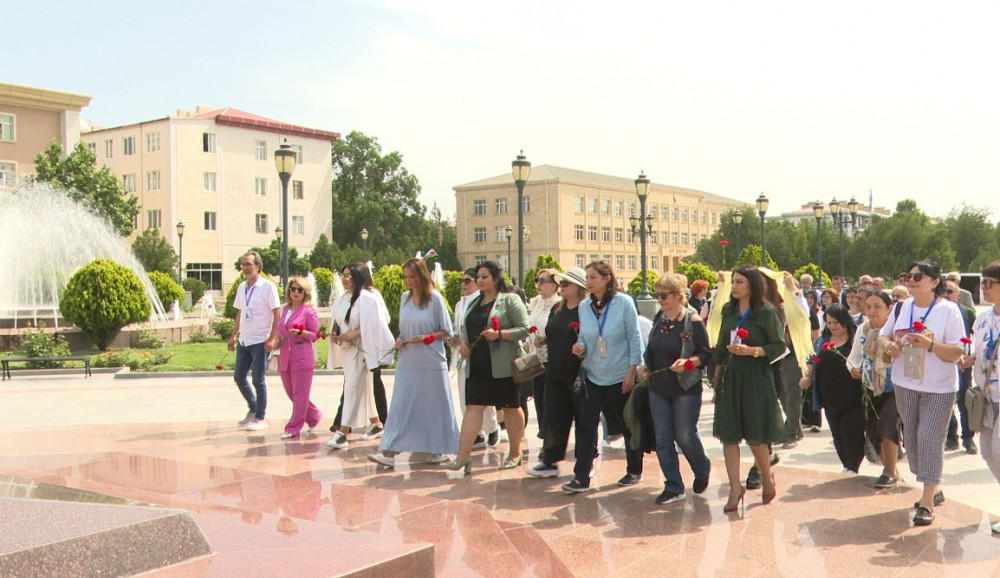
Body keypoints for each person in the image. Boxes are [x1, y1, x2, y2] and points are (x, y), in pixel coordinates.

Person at [881, 260, 965, 526]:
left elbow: (957, 351)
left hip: (938, 386)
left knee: (929, 438)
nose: (913, 280)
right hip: (906, 383)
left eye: (919, 276)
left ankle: (926, 501)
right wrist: (889, 346)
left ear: (935, 281)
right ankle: (935, 487)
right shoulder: (901, 307)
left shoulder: (948, 311)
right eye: (910, 275)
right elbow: (883, 336)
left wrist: (930, 345)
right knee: (914, 441)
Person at [369, 258, 459, 468]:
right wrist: (400, 339)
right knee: (401, 404)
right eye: (405, 277)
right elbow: (405, 326)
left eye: (412, 277)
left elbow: (447, 331)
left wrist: (426, 337)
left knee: (435, 405)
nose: (408, 281)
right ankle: (389, 451)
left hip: (431, 361)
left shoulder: (435, 299)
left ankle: (438, 449)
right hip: (408, 360)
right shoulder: (404, 299)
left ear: (422, 276)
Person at [563, 261, 644, 493]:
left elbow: (634, 338)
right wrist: (579, 346)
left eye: (593, 277)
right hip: (593, 375)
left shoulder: (624, 303)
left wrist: (632, 371)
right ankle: (581, 476)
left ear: (607, 278)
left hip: (620, 374)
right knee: (586, 424)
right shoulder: (585, 306)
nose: (588, 282)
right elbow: (586, 338)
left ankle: (634, 470)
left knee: (626, 424)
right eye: (587, 277)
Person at [712, 265, 786, 512]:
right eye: (733, 282)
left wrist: (753, 351)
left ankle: (766, 476)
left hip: (756, 377)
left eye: (740, 282)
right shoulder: (728, 310)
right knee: (729, 435)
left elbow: (778, 346)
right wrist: (717, 373)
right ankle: (735, 487)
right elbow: (722, 345)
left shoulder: (766, 313)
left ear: (752, 286)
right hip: (731, 378)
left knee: (756, 435)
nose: (734, 286)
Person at [638, 273, 713, 504]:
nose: (659, 299)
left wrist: (688, 363)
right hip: (659, 387)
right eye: (658, 294)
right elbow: (652, 348)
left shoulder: (692, 320)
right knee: (663, 438)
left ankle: (702, 468)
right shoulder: (660, 317)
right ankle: (673, 485)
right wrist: (646, 366)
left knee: (684, 435)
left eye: (664, 295)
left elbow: (706, 353)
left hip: (685, 388)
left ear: (679, 295)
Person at [450, 261, 530, 473]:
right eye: (478, 277)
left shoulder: (509, 300)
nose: (479, 280)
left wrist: (499, 335)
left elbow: (524, 329)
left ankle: (515, 452)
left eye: (484, 276)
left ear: (495, 279)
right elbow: (467, 329)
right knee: (473, 407)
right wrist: (464, 344)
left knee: (510, 407)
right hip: (477, 365)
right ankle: (462, 456)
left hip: (503, 365)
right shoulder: (475, 302)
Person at [527, 267, 587, 478]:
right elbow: (555, 331)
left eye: (565, 284)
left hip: (577, 372)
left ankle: (585, 461)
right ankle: (550, 459)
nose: (561, 287)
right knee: (553, 416)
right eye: (561, 283)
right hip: (554, 370)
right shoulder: (557, 309)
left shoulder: (585, 309)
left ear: (579, 288)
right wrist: (545, 339)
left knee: (582, 418)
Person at [327, 263, 394, 449]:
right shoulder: (341, 299)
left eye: (350, 275)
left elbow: (376, 325)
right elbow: (337, 321)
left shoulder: (368, 298)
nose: (345, 279)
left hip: (363, 352)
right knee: (358, 388)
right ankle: (376, 422)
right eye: (344, 275)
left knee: (352, 389)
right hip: (347, 351)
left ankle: (343, 432)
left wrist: (355, 333)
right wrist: (335, 333)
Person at [847, 289, 902, 488]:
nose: (872, 311)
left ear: (889, 309)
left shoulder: (896, 329)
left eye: (877, 306)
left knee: (887, 424)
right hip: (871, 388)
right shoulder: (863, 329)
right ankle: (893, 469)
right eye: (868, 306)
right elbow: (854, 356)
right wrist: (853, 367)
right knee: (874, 432)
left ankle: (888, 473)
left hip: (894, 387)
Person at [801, 304, 865, 473]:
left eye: (836, 322)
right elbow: (811, 360)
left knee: (851, 432)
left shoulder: (855, 341)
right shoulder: (822, 341)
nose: (833, 326)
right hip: (828, 398)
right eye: (829, 323)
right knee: (837, 434)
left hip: (853, 397)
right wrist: (807, 377)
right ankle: (846, 465)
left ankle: (853, 466)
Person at [229, 251, 281, 431]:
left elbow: (277, 313)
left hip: (261, 340)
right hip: (244, 340)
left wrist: (272, 338)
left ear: (258, 266)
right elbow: (240, 312)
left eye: (249, 264)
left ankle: (261, 417)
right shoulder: (242, 287)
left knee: (258, 379)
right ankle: (253, 407)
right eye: (243, 264)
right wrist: (233, 335)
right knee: (239, 377)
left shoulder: (268, 287)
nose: (245, 268)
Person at [449, 268, 499, 450]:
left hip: (479, 354)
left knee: (483, 396)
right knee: (465, 397)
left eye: (468, 280)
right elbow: (457, 328)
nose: (464, 284)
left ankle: (492, 428)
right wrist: (453, 340)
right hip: (462, 355)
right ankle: (476, 434)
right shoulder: (459, 304)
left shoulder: (481, 301)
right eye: (461, 281)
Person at [970, 261, 1000, 533]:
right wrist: (969, 359)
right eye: (983, 282)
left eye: (989, 283)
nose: (984, 288)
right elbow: (980, 352)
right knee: (989, 454)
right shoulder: (983, 319)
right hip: (987, 396)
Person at [276, 277, 323, 439]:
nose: (295, 292)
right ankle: (314, 415)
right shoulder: (284, 310)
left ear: (305, 293)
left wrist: (301, 332)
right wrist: (275, 341)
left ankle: (293, 427)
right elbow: (280, 330)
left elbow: (315, 335)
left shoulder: (308, 311)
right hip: (285, 356)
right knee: (291, 393)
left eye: (299, 290)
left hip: (302, 358)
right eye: (293, 289)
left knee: (300, 395)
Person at [527, 268, 561, 441]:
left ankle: (551, 435)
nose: (538, 284)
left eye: (543, 281)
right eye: (537, 280)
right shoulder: (535, 302)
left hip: (551, 358)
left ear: (555, 285)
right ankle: (543, 431)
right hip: (535, 358)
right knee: (538, 397)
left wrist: (546, 339)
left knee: (550, 399)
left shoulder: (559, 304)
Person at [945, 279, 978, 454]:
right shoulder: (938, 313)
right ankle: (951, 437)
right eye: (944, 291)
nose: (947, 295)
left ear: (958, 294)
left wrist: (969, 357)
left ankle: (969, 438)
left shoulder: (967, 313)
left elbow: (975, 336)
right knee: (946, 401)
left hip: (963, 364)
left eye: (950, 291)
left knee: (965, 401)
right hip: (944, 362)